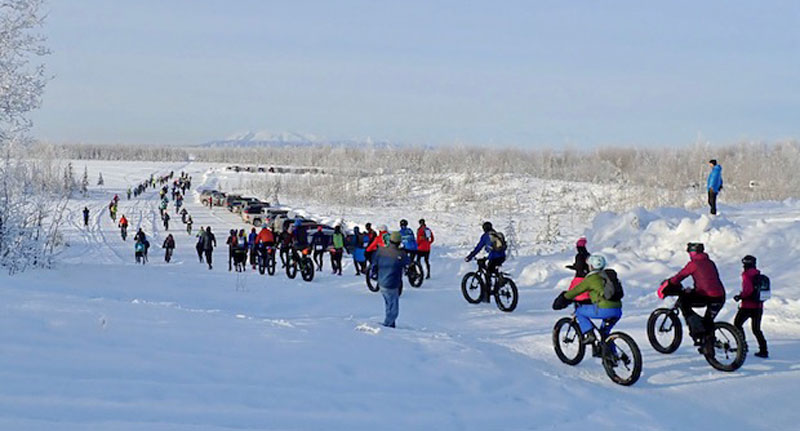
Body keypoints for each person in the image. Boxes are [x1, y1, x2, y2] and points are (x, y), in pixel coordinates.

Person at [666, 242, 726, 355]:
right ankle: (707, 343)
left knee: (684, 303)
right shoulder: (710, 262)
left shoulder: (693, 264)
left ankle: (698, 333)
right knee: (708, 322)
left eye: (690, 252)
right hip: (720, 296)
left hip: (706, 296)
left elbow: (679, 277)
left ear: (692, 253)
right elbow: (707, 279)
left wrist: (669, 283)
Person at [561, 255, 622, 346]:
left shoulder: (591, 278)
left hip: (604, 310)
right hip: (617, 310)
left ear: (591, 266)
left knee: (579, 312)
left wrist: (564, 298)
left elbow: (575, 291)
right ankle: (613, 357)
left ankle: (589, 334)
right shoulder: (608, 276)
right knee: (605, 335)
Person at [372, 231, 411, 328]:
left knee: (388, 304)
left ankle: (391, 325)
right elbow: (409, 263)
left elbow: (374, 264)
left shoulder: (381, 251)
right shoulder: (401, 254)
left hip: (381, 283)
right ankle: (387, 327)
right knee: (394, 310)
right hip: (392, 284)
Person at [733, 255, 769, 358]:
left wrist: (740, 296)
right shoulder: (758, 274)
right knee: (756, 329)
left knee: (737, 324)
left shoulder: (746, 275)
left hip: (747, 306)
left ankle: (742, 346)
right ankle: (764, 350)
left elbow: (748, 290)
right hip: (758, 306)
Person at [465, 222, 507, 303]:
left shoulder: (485, 236)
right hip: (502, 257)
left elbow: (478, 248)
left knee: (488, 273)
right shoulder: (497, 234)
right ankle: (499, 282)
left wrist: (470, 256)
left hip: (494, 257)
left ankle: (488, 293)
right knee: (493, 270)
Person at [565, 237, 592, 304]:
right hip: (587, 276)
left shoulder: (579, 256)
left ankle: (578, 307)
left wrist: (573, 267)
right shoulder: (588, 255)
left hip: (579, 276)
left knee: (574, 292)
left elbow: (579, 266)